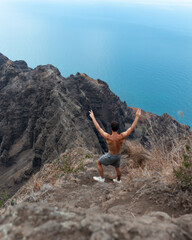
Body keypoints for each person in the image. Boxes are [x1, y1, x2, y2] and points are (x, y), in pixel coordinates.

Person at [89, 108, 141, 183]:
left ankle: (102, 178)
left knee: (98, 162)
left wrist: (93, 117)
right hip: (118, 155)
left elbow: (98, 128)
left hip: (110, 155)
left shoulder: (108, 137)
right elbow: (132, 128)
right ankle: (118, 180)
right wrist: (137, 116)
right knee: (117, 167)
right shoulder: (122, 136)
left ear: (111, 128)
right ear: (118, 128)